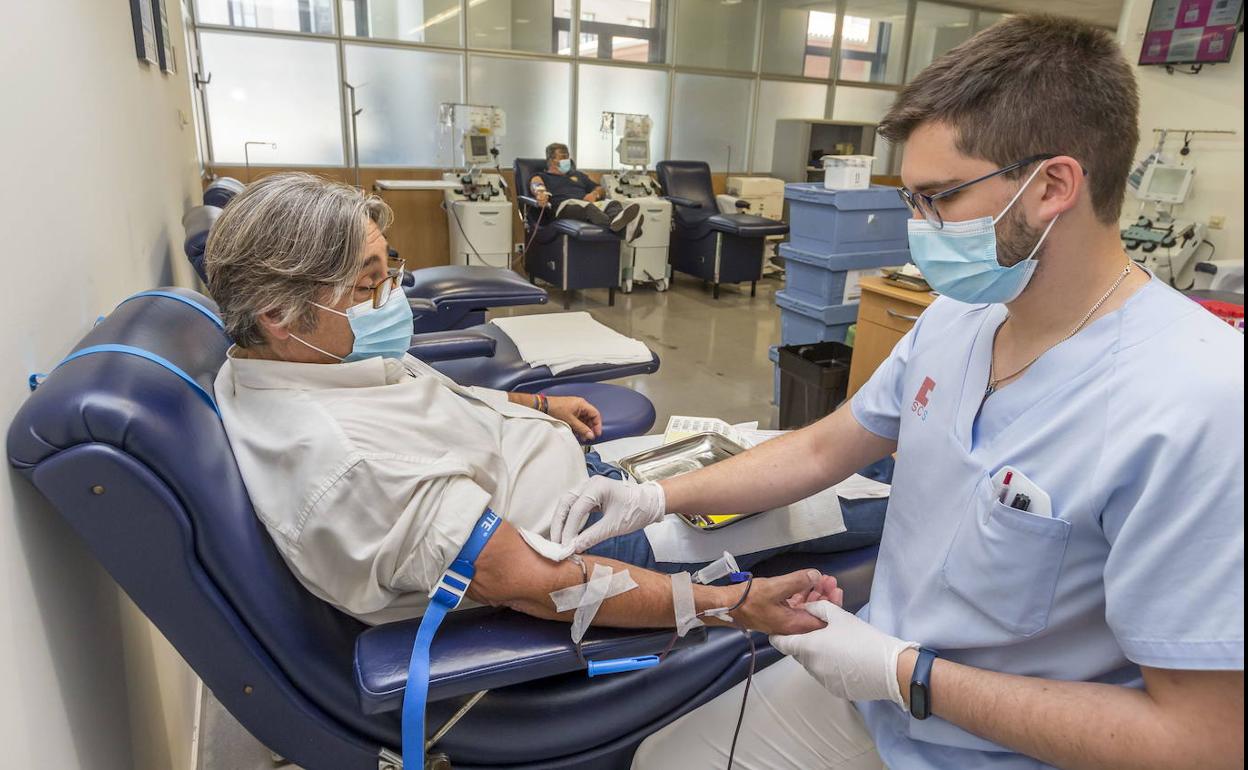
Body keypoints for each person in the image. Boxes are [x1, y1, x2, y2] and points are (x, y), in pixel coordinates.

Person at [555, 15, 1244, 770]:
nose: (919, 229)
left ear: (1052, 186)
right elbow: (824, 445)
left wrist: (908, 675)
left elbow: (1201, 741)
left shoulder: (1198, 404)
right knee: (664, 759)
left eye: (939, 198)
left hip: (1004, 745)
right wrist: (659, 497)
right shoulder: (961, 318)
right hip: (881, 695)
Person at [203, 171, 872, 638]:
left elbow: (430, 400)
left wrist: (534, 406)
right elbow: (542, 585)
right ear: (279, 314)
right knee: (861, 491)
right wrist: (731, 606)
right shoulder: (347, 462)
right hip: (599, 542)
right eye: (369, 285)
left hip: (594, 483)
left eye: (389, 273)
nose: (392, 299)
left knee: (761, 443)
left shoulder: (294, 359)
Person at [530, 142, 643, 240]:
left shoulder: (578, 175)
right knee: (589, 209)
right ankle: (627, 229)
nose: (567, 160)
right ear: (551, 160)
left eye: (568, 156)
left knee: (613, 204)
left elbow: (600, 189)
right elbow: (536, 184)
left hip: (587, 203)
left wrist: (595, 194)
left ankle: (624, 228)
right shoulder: (543, 176)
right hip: (564, 207)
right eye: (563, 156)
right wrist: (540, 193)